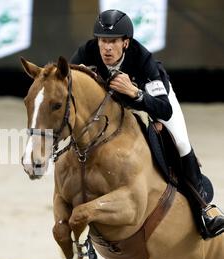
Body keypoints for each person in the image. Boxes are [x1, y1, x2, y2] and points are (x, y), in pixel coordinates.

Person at [70, 9, 224, 239]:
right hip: (111, 108)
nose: (107, 48)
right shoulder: (86, 53)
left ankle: (204, 209)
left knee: (180, 142)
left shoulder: (143, 60)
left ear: (126, 43)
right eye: (103, 41)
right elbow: (67, 83)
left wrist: (135, 93)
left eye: (113, 42)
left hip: (151, 102)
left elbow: (164, 108)